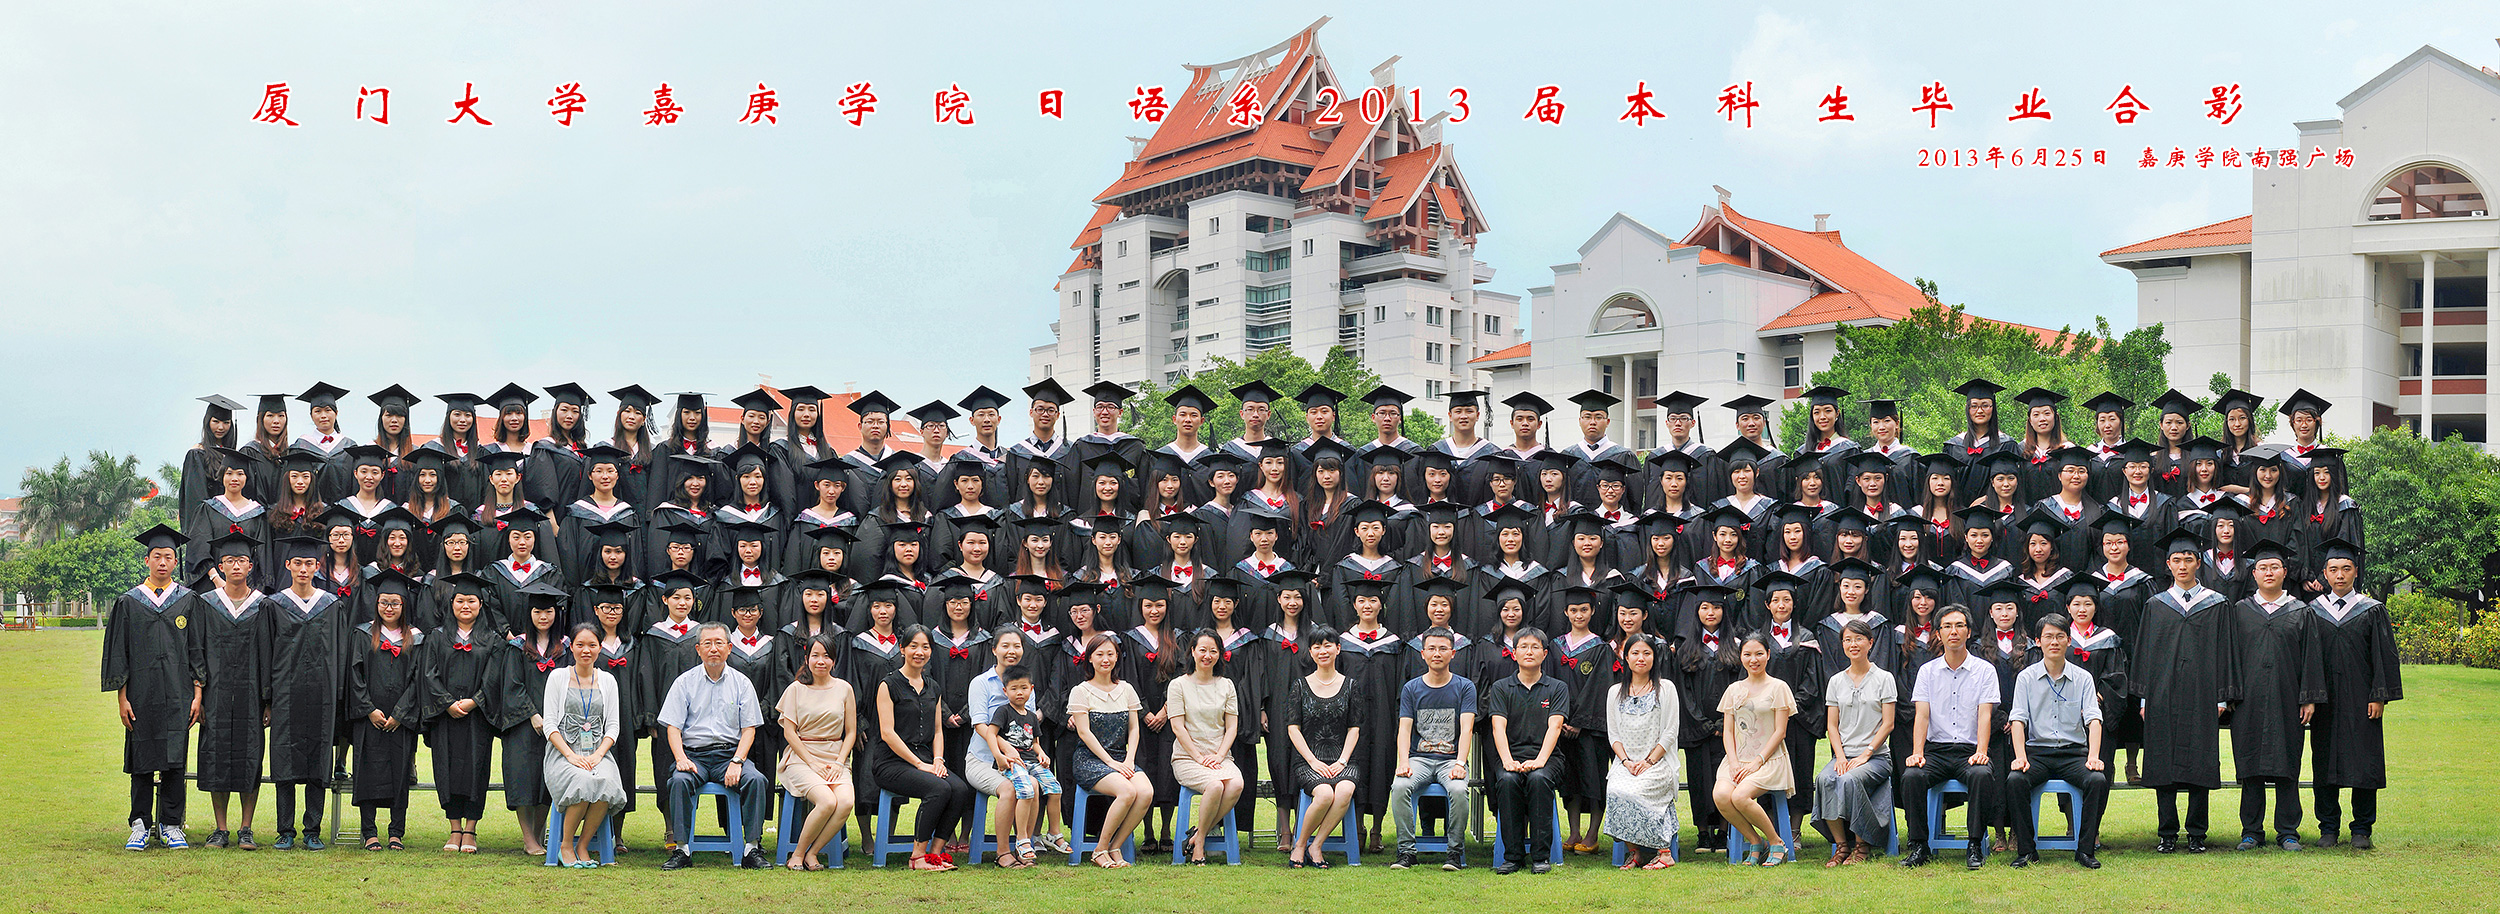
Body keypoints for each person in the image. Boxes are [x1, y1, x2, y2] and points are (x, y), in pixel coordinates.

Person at [2134, 529, 2236, 854]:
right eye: (2176, 560)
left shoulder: (2216, 604)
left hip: (2203, 694)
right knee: (2163, 761)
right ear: (2168, 564)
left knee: (2199, 761)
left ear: (2198, 563)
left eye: (2188, 559)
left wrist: (2222, 696)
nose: (2182, 565)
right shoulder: (2156, 605)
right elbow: (2145, 654)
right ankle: (2167, 832)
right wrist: (2145, 697)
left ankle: (2196, 833)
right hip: (2162, 695)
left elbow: (2226, 652)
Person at [106, 525, 198, 851]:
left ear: (176, 561)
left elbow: (197, 650)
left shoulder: (188, 601)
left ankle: (171, 824)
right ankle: (140, 824)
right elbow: (119, 654)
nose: (162, 562)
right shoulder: (129, 602)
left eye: (168, 557)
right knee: (142, 759)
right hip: (140, 695)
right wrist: (122, 698)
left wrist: (198, 693)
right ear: (146, 560)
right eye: (157, 556)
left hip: (179, 693)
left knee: (175, 759)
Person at [2304, 538, 2399, 849]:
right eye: (2333, 569)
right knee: (2324, 762)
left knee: (2364, 762)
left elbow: (2383, 657)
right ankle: (2328, 828)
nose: (2340, 575)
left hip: (2362, 699)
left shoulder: (2372, 610)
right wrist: (2310, 696)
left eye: (2346, 568)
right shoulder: (2313, 611)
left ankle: (2362, 829)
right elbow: (2307, 659)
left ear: (2356, 572)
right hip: (2325, 700)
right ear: (2325, 574)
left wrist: (2379, 695)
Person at [657, 622, 772, 870]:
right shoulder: (684, 682)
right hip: (694, 756)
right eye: (707, 643)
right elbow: (673, 727)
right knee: (679, 781)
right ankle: (681, 849)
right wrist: (681, 758)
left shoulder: (742, 683)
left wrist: (737, 761)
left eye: (719, 643)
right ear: (698, 649)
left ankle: (752, 848)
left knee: (756, 779)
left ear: (729, 648)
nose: (713, 649)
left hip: (729, 755)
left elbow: (749, 729)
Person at [2005, 612, 2112, 869]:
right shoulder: (2026, 678)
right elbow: (2018, 720)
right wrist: (2020, 757)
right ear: (2038, 642)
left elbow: (2094, 720)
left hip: (2073, 753)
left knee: (2097, 780)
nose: (2054, 642)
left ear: (2069, 640)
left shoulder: (2083, 678)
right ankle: (2027, 851)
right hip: (2038, 753)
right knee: (2015, 780)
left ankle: (2085, 850)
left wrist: (2093, 757)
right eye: (2048, 637)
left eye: (2060, 636)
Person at [1898, 606, 2001, 870]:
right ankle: (1919, 845)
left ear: (1968, 631)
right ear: (1938, 633)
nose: (1953, 631)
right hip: (1936, 751)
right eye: (1947, 626)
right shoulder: (1927, 671)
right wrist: (1918, 752)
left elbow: (1985, 715)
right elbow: (1922, 716)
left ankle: (1974, 844)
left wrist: (1981, 751)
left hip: (1970, 751)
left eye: (1959, 625)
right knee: (1911, 776)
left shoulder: (1985, 670)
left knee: (1981, 774)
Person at [2229, 540, 2316, 851]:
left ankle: (2288, 831)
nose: (2268, 572)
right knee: (2250, 765)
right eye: (2262, 567)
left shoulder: (2300, 611)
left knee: (2287, 764)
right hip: (2248, 700)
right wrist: (2229, 695)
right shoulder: (2240, 611)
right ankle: (2251, 831)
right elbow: (2229, 657)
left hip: (2287, 698)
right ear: (2253, 574)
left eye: (2274, 567)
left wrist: (2308, 697)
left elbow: (2310, 658)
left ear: (2285, 572)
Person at [872, 624, 976, 870]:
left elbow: (938, 730)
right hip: (891, 762)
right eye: (913, 646)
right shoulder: (888, 685)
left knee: (959, 789)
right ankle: (917, 856)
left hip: (926, 759)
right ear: (902, 649)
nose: (919, 652)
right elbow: (887, 733)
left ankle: (935, 853)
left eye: (925, 647)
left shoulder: (933, 687)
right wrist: (920, 764)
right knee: (938, 788)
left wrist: (938, 760)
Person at [265, 534, 345, 850]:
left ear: (317, 566)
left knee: (317, 760)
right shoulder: (274, 605)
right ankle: (285, 830)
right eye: (297, 563)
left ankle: (312, 829)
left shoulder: (331, 605)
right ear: (288, 565)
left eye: (308, 563)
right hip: (286, 695)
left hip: (321, 695)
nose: (302, 569)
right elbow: (266, 654)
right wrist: (268, 699)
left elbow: (339, 653)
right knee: (284, 760)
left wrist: (338, 694)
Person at [192, 531, 268, 851]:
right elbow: (197, 650)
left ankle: (246, 828)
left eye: (242, 560)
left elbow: (269, 655)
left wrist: (268, 700)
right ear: (220, 566)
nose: (236, 565)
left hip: (252, 695)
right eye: (229, 560)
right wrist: (199, 694)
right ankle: (221, 828)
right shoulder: (206, 603)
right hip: (216, 694)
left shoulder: (263, 605)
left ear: (250, 566)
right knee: (217, 756)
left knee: (250, 757)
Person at [1388, 625, 1478, 871]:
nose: (1437, 653)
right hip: (1419, 759)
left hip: (1451, 759)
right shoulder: (1411, 688)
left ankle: (1454, 852)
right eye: (1431, 649)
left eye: (1443, 649)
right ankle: (1406, 851)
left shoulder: (1465, 687)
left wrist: (1460, 763)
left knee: (1459, 790)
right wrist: (1403, 762)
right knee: (1400, 786)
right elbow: (1404, 729)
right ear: (1423, 653)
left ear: (1453, 653)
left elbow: (1467, 729)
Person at [349, 571, 427, 850]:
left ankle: (396, 832)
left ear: (404, 604)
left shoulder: (416, 638)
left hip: (400, 721)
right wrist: (369, 710)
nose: (389, 608)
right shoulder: (362, 634)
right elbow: (355, 675)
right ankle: (369, 832)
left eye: (395, 603)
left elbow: (418, 679)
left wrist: (401, 714)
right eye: (384, 602)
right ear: (376, 603)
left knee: (399, 774)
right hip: (369, 719)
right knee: (367, 773)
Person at [420, 572, 497, 853]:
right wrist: (447, 703)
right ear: (451, 604)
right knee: (447, 769)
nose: (466, 606)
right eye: (460, 600)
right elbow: (429, 674)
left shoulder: (491, 639)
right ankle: (454, 828)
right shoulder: (437, 636)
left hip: (477, 717)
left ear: (481, 605)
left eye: (472, 601)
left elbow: (494, 677)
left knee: (477, 769)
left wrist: (475, 701)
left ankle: (471, 830)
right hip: (446, 716)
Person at [543, 622, 628, 868]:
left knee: (606, 782)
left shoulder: (608, 680)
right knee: (583, 780)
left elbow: (613, 726)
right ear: (571, 647)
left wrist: (599, 754)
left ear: (600, 647)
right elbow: (550, 725)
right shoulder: (557, 677)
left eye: (592, 645)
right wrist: (570, 755)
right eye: (580, 645)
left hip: (598, 753)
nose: (586, 650)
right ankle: (565, 845)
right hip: (563, 753)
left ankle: (583, 845)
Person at [1066, 632, 1153, 868]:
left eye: (1110, 654)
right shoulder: (1081, 691)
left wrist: (1129, 759)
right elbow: (1084, 732)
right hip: (1089, 760)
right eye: (1100, 654)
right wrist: (1110, 763)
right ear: (1090, 658)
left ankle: (1115, 845)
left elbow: (1134, 729)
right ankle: (1100, 849)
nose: (1106, 659)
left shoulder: (1126, 689)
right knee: (1127, 791)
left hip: (1121, 758)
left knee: (1145, 792)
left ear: (1117, 657)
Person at [1713, 633, 1800, 866]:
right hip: (1737, 760)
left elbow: (1780, 732)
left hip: (1769, 760)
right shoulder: (1734, 689)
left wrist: (1757, 762)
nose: (1754, 659)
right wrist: (1734, 762)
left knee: (1740, 796)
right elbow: (1728, 731)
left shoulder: (1779, 688)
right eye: (1748, 654)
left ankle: (1776, 842)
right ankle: (1755, 841)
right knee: (1721, 795)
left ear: (1768, 655)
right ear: (1740, 657)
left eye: (1759, 654)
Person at [1815, 619, 1896, 866]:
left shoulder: (1884, 678)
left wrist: (1866, 754)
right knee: (1824, 779)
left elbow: (1888, 724)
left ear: (1870, 643)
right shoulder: (1836, 681)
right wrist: (1840, 757)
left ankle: (1862, 845)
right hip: (1844, 756)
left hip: (1876, 758)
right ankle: (1842, 846)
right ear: (1842, 644)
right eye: (1848, 640)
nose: (1853, 644)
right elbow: (1832, 725)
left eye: (1859, 639)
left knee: (1849, 779)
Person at [776, 632, 859, 871]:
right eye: (815, 656)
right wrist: (812, 763)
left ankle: (812, 853)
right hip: (802, 758)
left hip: (835, 757)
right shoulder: (796, 689)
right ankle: (797, 854)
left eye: (826, 656)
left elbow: (851, 732)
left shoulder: (844, 688)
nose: (820, 661)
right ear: (807, 658)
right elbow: (789, 733)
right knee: (826, 801)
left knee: (845, 802)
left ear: (834, 660)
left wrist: (840, 762)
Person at [1488, 626, 1567, 875]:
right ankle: (1512, 857)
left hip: (1548, 758)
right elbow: (1498, 727)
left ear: (1545, 654)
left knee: (1538, 779)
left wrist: (1540, 760)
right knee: (1507, 780)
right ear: (1514, 653)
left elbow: (1555, 727)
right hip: (1511, 755)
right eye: (1523, 647)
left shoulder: (1557, 687)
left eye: (1535, 647)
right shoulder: (1501, 687)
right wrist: (1507, 760)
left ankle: (1541, 857)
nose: (1529, 652)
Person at [1285, 624, 1364, 869]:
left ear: (1338, 649)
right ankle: (1300, 845)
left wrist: (1342, 761)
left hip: (1343, 759)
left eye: (1328, 645)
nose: (1323, 651)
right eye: (1317, 646)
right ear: (1310, 652)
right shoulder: (1300, 686)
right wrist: (1313, 761)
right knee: (1324, 794)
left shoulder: (1351, 685)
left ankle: (1316, 845)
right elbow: (1293, 728)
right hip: (1309, 761)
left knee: (1344, 790)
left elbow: (1354, 728)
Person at [1166, 629, 1246, 865]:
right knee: (1214, 785)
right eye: (1202, 650)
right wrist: (1199, 757)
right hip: (1187, 758)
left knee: (1236, 784)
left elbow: (1231, 727)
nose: (1207, 655)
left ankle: (1197, 835)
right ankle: (1199, 843)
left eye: (1213, 651)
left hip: (1220, 757)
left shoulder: (1226, 685)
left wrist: (1219, 756)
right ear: (1192, 651)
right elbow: (1177, 727)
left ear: (1220, 654)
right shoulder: (1178, 685)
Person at [1601, 635, 1681, 870]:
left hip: (1658, 763)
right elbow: (1613, 735)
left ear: (1655, 657)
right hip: (1625, 763)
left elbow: (1670, 731)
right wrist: (1626, 761)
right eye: (1635, 653)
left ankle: (1664, 853)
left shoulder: (1666, 688)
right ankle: (1634, 852)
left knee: (1638, 791)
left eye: (1647, 653)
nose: (1641, 658)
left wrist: (1649, 761)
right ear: (1625, 657)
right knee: (1616, 790)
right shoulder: (1615, 692)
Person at [984, 662, 1061, 868]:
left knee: (1055, 788)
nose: (1019, 692)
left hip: (1031, 761)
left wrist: (1042, 753)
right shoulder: (1003, 711)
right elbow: (991, 734)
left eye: (1024, 688)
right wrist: (999, 756)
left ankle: (1054, 833)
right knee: (1026, 790)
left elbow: (1034, 742)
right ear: (1005, 691)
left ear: (1031, 689)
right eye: (1014, 688)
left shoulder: (1031, 716)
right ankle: (1022, 838)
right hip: (1012, 762)